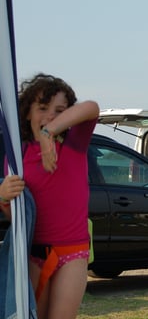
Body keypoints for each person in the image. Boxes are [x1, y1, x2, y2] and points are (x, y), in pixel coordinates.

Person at [0, 73, 99, 319]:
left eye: (60, 110)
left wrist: (48, 133)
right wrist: (2, 197)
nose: (51, 115)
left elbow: (92, 108)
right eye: (43, 108)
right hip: (33, 254)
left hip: (73, 253)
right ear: (27, 113)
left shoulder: (74, 145)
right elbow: (17, 215)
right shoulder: (17, 156)